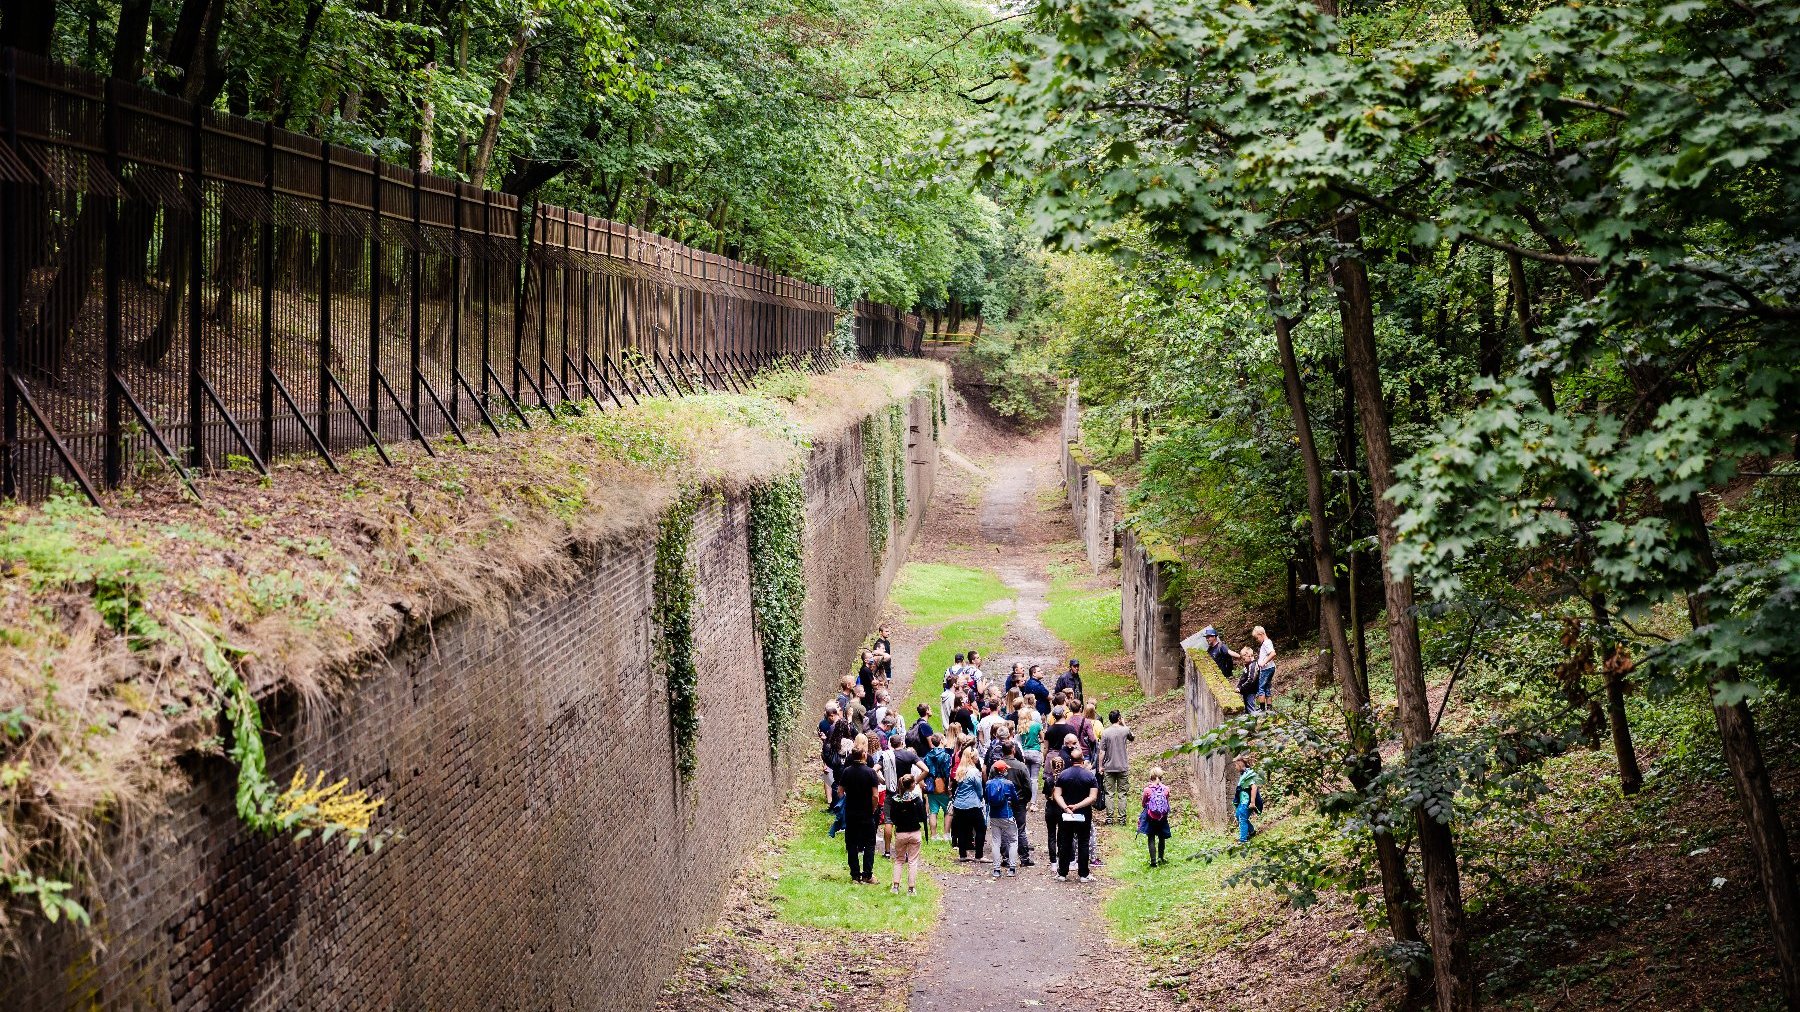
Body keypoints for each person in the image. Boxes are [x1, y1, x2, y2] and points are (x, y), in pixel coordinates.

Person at [1053, 742, 1100, 881]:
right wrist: (1078, 806)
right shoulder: (1090, 776)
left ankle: (1062, 873)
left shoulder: (1063, 775)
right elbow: (1093, 797)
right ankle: (1083, 874)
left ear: (1070, 760)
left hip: (1066, 815)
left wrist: (1066, 807)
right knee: (1083, 842)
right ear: (1083, 759)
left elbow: (1057, 794)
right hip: (1083, 814)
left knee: (1065, 841)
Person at [839, 747, 880, 883]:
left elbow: (840, 791)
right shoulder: (871, 772)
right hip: (866, 812)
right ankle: (867, 875)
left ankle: (855, 875)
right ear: (864, 755)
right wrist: (873, 808)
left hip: (851, 812)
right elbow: (875, 795)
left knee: (851, 843)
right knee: (869, 843)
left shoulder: (847, 771)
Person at [990, 741, 1036, 866]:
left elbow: (990, 783)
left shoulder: (995, 766)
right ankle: (1024, 858)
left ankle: (1006, 858)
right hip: (1019, 802)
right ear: (1013, 750)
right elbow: (1028, 785)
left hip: (1001, 803)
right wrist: (1026, 799)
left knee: (1003, 830)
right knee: (1020, 829)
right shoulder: (1021, 766)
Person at [889, 772, 927, 894]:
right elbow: (922, 816)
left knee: (899, 860)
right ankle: (911, 888)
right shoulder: (917, 799)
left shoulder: (895, 800)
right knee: (913, 860)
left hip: (900, 833)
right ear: (912, 785)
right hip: (915, 832)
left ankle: (895, 886)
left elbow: (892, 817)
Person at [985, 760, 1022, 877]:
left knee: (996, 842)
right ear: (1003, 770)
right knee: (1013, 840)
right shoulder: (1009, 784)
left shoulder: (988, 783)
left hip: (994, 816)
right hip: (1007, 815)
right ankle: (1012, 868)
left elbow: (986, 799)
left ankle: (996, 869)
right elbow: (1016, 800)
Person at [1099, 710, 1135, 827]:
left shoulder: (1105, 732)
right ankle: (1122, 819)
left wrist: (1100, 766)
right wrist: (1124, 724)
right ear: (1119, 718)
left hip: (1109, 767)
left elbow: (1102, 752)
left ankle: (1109, 818)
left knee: (1109, 793)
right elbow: (1132, 737)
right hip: (1122, 766)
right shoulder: (1124, 730)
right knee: (1122, 794)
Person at [950, 750, 988, 861]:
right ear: (972, 758)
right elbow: (979, 790)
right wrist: (981, 799)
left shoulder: (960, 770)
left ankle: (963, 855)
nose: (977, 758)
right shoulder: (974, 772)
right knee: (981, 828)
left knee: (962, 829)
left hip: (959, 804)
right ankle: (979, 855)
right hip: (972, 804)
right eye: (976, 756)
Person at [1139, 767, 1173, 867]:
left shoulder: (1147, 790)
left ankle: (1153, 861)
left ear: (1151, 776)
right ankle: (1161, 858)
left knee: (1151, 837)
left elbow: (1143, 803)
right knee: (1162, 837)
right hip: (1162, 817)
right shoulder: (1166, 789)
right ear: (1161, 776)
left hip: (1150, 817)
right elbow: (1166, 801)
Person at [875, 730, 900, 857]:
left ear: (890, 744)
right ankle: (903, 852)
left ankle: (887, 851)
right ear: (901, 743)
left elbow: (875, 770)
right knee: (902, 822)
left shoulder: (885, 756)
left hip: (890, 792)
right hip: (903, 793)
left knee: (888, 821)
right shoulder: (908, 755)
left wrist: (882, 780)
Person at [923, 734, 953, 838]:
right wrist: (949, 787)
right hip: (943, 786)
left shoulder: (927, 755)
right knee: (948, 811)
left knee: (933, 811)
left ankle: (933, 835)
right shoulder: (946, 756)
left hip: (931, 786)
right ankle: (946, 834)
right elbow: (947, 772)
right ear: (941, 741)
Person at [1040, 751, 1066, 868]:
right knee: (1061, 833)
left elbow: (1046, 795)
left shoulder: (1048, 780)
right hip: (1062, 809)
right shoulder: (1065, 779)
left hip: (1050, 808)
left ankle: (1053, 862)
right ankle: (1061, 857)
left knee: (1051, 834)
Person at [1234, 755, 1262, 843]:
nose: (1235, 767)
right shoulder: (1244, 774)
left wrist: (1252, 803)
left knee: (1242, 818)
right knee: (1238, 815)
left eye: (1235, 765)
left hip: (1246, 802)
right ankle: (1252, 831)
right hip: (1242, 801)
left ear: (1239, 764)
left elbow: (1254, 787)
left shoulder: (1249, 773)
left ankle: (1243, 840)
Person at [1017, 706, 1044, 794]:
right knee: (1034, 779)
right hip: (1035, 752)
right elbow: (1042, 738)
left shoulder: (1020, 727)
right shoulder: (1036, 725)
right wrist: (1037, 741)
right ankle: (1033, 802)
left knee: (1027, 777)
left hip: (1024, 753)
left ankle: (1027, 796)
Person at [1251, 625, 1277, 711]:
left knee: (1261, 688)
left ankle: (1262, 709)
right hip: (1270, 668)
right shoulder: (1267, 642)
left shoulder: (1266, 643)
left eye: (1257, 637)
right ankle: (1269, 708)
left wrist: (1263, 662)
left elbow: (1273, 653)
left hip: (1266, 669)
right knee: (1266, 687)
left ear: (1261, 634)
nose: (1257, 640)